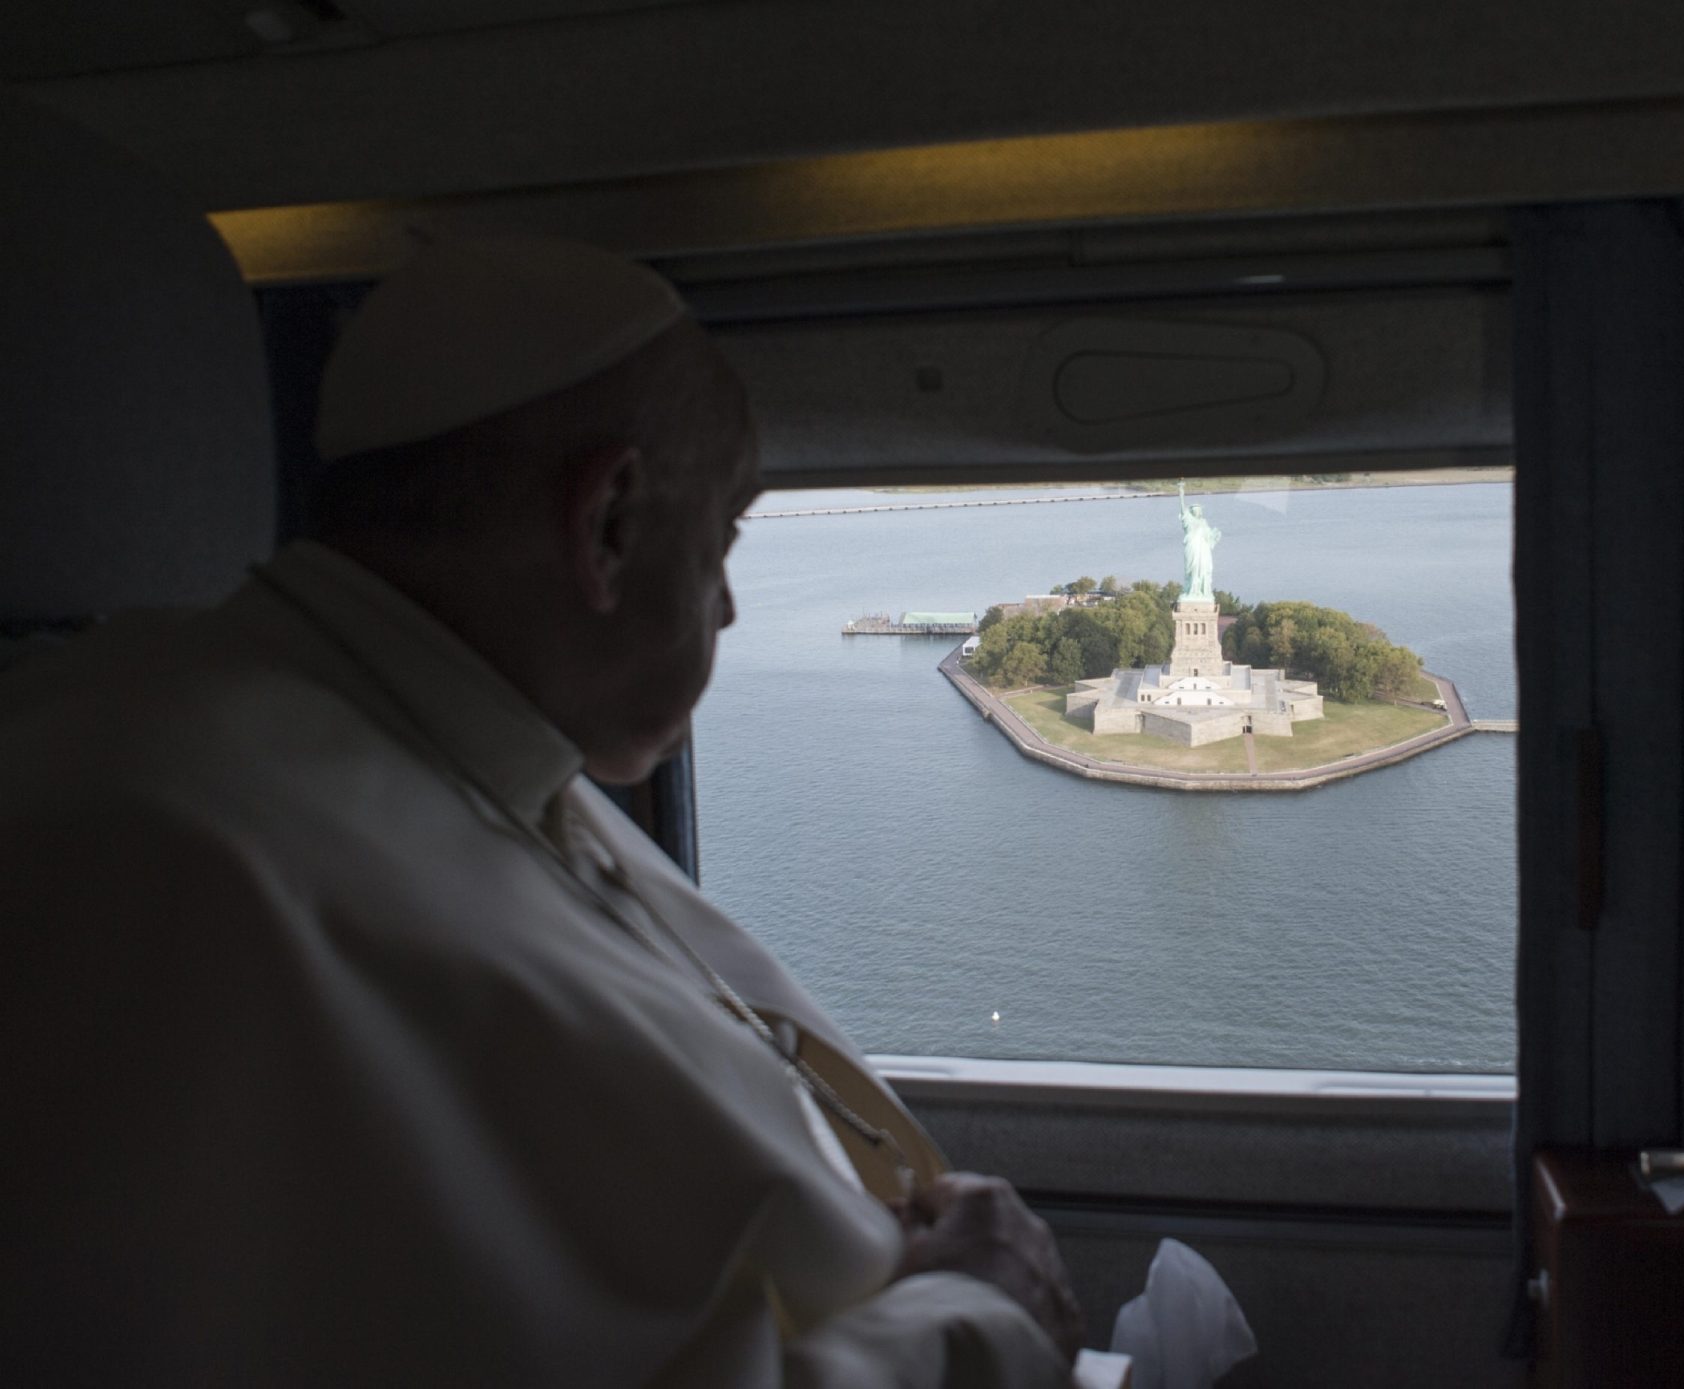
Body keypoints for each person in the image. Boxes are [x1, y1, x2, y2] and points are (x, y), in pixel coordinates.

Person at [0, 236, 1082, 1385]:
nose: (722, 606)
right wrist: (981, 1313)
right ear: (608, 523)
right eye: (719, 540)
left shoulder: (459, 751)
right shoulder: (154, 860)